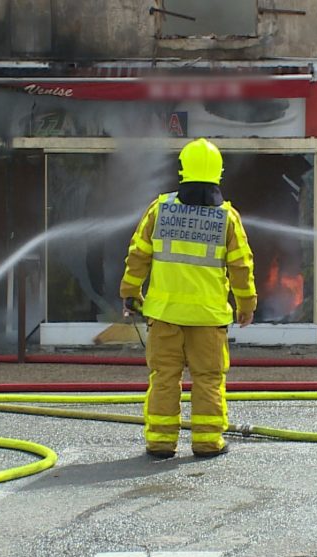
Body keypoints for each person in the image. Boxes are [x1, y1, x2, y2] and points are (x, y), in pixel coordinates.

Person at [120, 138, 257, 459]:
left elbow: (138, 256)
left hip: (164, 316)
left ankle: (160, 443)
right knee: (208, 379)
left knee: (164, 378)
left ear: (181, 170)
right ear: (218, 173)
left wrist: (130, 294)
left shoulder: (159, 210)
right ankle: (208, 442)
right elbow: (241, 265)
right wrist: (246, 305)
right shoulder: (227, 218)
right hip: (208, 320)